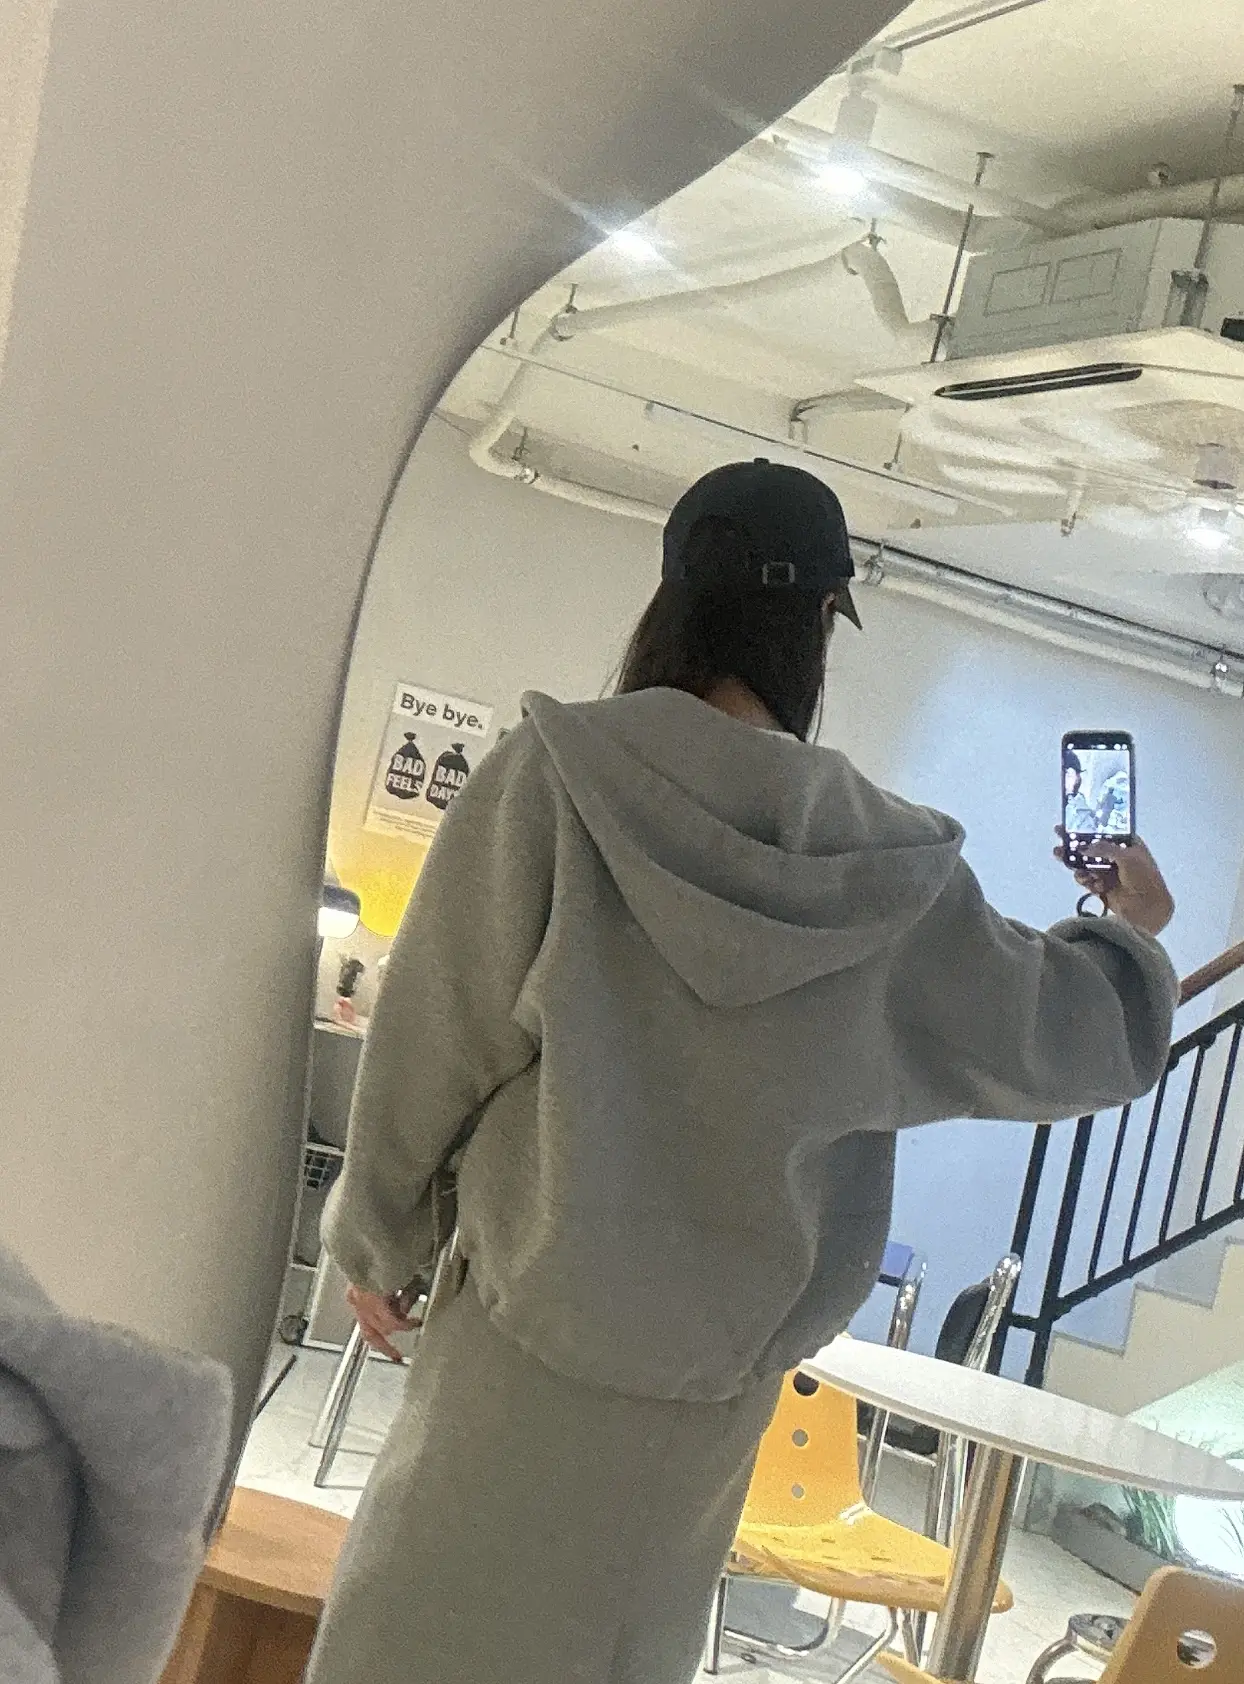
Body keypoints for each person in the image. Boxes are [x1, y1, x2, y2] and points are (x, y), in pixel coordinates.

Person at [307, 460, 1178, 1684]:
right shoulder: (890, 875)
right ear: (821, 620)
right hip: (709, 1401)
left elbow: (431, 1036)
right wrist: (1128, 930)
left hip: (519, 1350)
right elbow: (1068, 1037)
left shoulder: (553, 778)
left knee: (418, 1642)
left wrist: (374, 1240)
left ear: (672, 600)